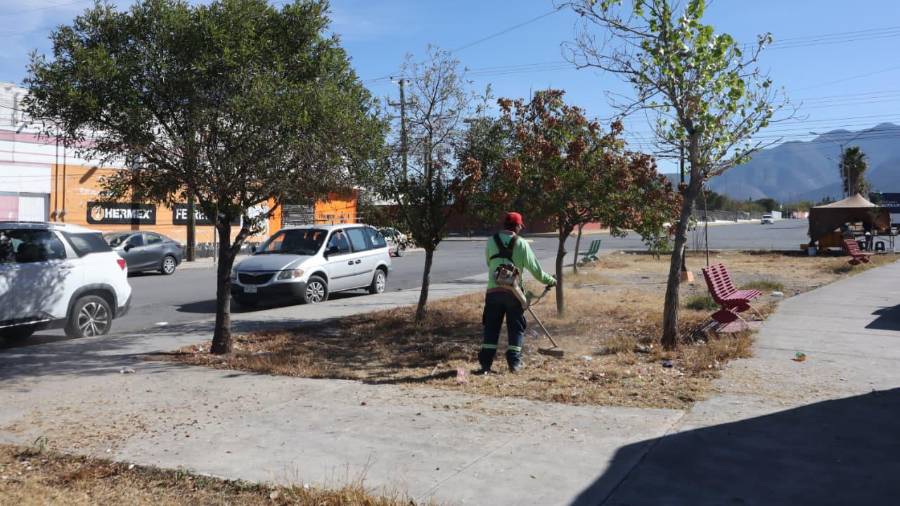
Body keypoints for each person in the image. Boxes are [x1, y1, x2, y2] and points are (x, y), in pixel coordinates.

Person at [479, 212, 555, 373]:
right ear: (518, 226)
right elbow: (537, 271)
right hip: (514, 294)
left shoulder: (491, 241)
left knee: (491, 328)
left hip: (493, 292)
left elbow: (489, 263)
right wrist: (551, 281)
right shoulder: (521, 244)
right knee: (516, 328)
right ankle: (514, 363)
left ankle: (485, 364)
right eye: (521, 225)